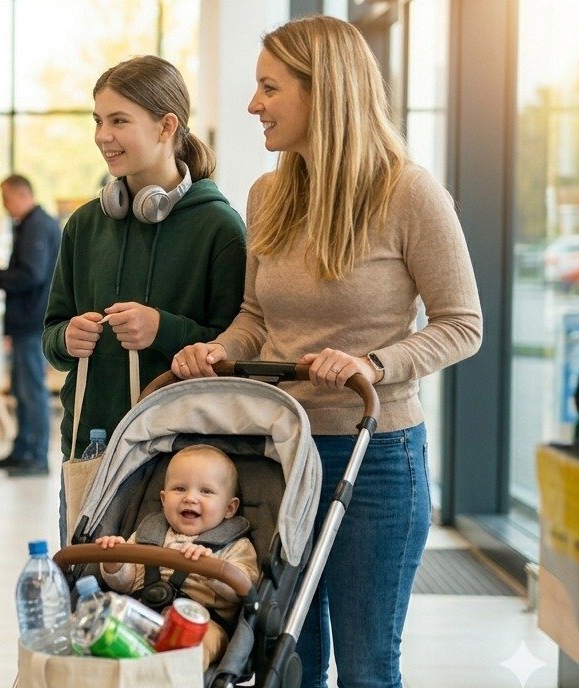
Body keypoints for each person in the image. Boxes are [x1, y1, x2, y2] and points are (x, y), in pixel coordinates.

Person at [171, 15, 483, 688]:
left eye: (269, 87)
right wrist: (216, 351)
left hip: (373, 456)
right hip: (280, 456)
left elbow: (463, 324)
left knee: (368, 667)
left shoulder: (409, 193)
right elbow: (256, 317)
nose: (254, 104)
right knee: (289, 663)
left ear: (326, 92)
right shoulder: (268, 195)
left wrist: (374, 364)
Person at [44, 55, 247, 541]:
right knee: (89, 597)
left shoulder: (219, 228)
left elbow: (239, 349)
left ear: (166, 126)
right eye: (98, 121)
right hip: (90, 450)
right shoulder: (86, 224)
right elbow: (50, 338)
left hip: (180, 465)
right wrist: (66, 338)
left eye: (118, 120)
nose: (101, 136)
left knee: (165, 598)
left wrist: (165, 330)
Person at [94, 444, 259, 666]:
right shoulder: (147, 534)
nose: (190, 498)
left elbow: (244, 588)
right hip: (143, 614)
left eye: (206, 491)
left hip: (202, 622)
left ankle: (179, 673)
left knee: (204, 641)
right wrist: (114, 561)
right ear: (163, 499)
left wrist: (211, 566)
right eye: (179, 489)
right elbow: (125, 583)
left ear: (230, 508)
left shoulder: (235, 545)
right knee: (102, 625)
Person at [0, 174, 61, 478]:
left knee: (31, 391)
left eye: (6, 199)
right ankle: (21, 450)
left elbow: (31, 274)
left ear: (20, 195)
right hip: (25, 322)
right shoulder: (30, 226)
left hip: (32, 322)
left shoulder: (37, 226)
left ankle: (37, 455)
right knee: (21, 388)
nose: (4, 206)